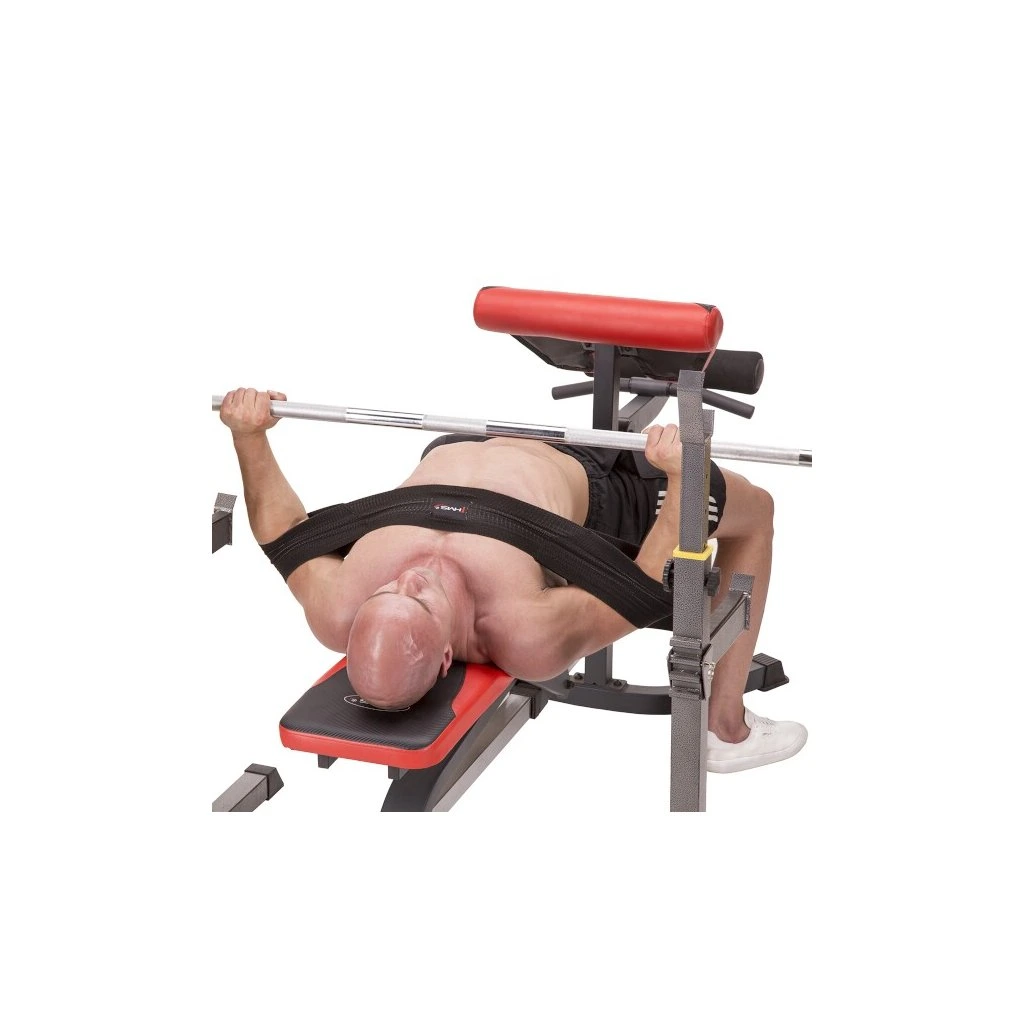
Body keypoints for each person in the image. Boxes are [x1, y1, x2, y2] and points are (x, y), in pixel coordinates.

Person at [220, 388, 807, 773]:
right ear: (447, 655)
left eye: (387, 589)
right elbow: (645, 588)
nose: (411, 577)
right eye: (420, 600)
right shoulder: (521, 633)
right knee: (757, 511)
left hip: (457, 442)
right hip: (595, 478)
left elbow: (280, 530)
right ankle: (724, 729)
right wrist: (681, 476)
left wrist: (248, 434)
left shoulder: (335, 610)